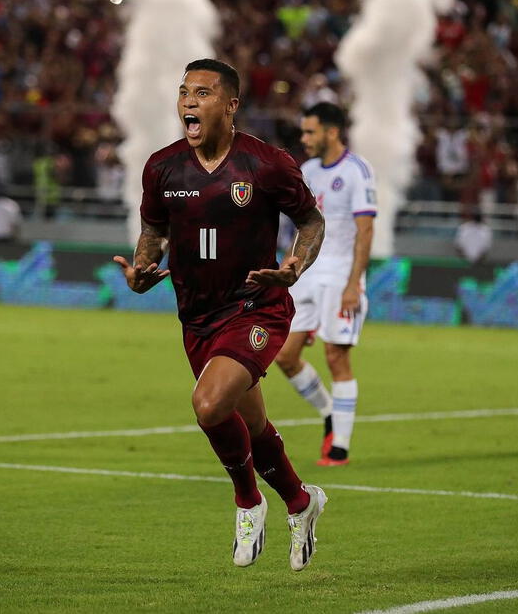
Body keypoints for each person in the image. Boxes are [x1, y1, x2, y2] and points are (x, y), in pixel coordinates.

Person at [113, 59, 327, 571]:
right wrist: (143, 268)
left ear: (230, 105)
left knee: (209, 406)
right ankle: (301, 501)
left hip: (257, 307)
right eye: (184, 91)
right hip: (198, 317)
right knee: (251, 425)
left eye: (202, 92)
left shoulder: (266, 164)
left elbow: (311, 221)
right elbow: (154, 231)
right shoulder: (162, 167)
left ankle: (247, 502)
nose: (188, 101)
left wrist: (296, 265)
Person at [274, 102, 377, 467]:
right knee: (285, 356)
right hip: (307, 273)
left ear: (332, 132)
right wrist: (290, 267)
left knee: (336, 357)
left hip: (339, 275)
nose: (303, 139)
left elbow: (365, 232)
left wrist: (354, 284)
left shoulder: (357, 171)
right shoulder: (307, 170)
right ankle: (331, 413)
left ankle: (340, 446)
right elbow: (301, 226)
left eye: (310, 132)